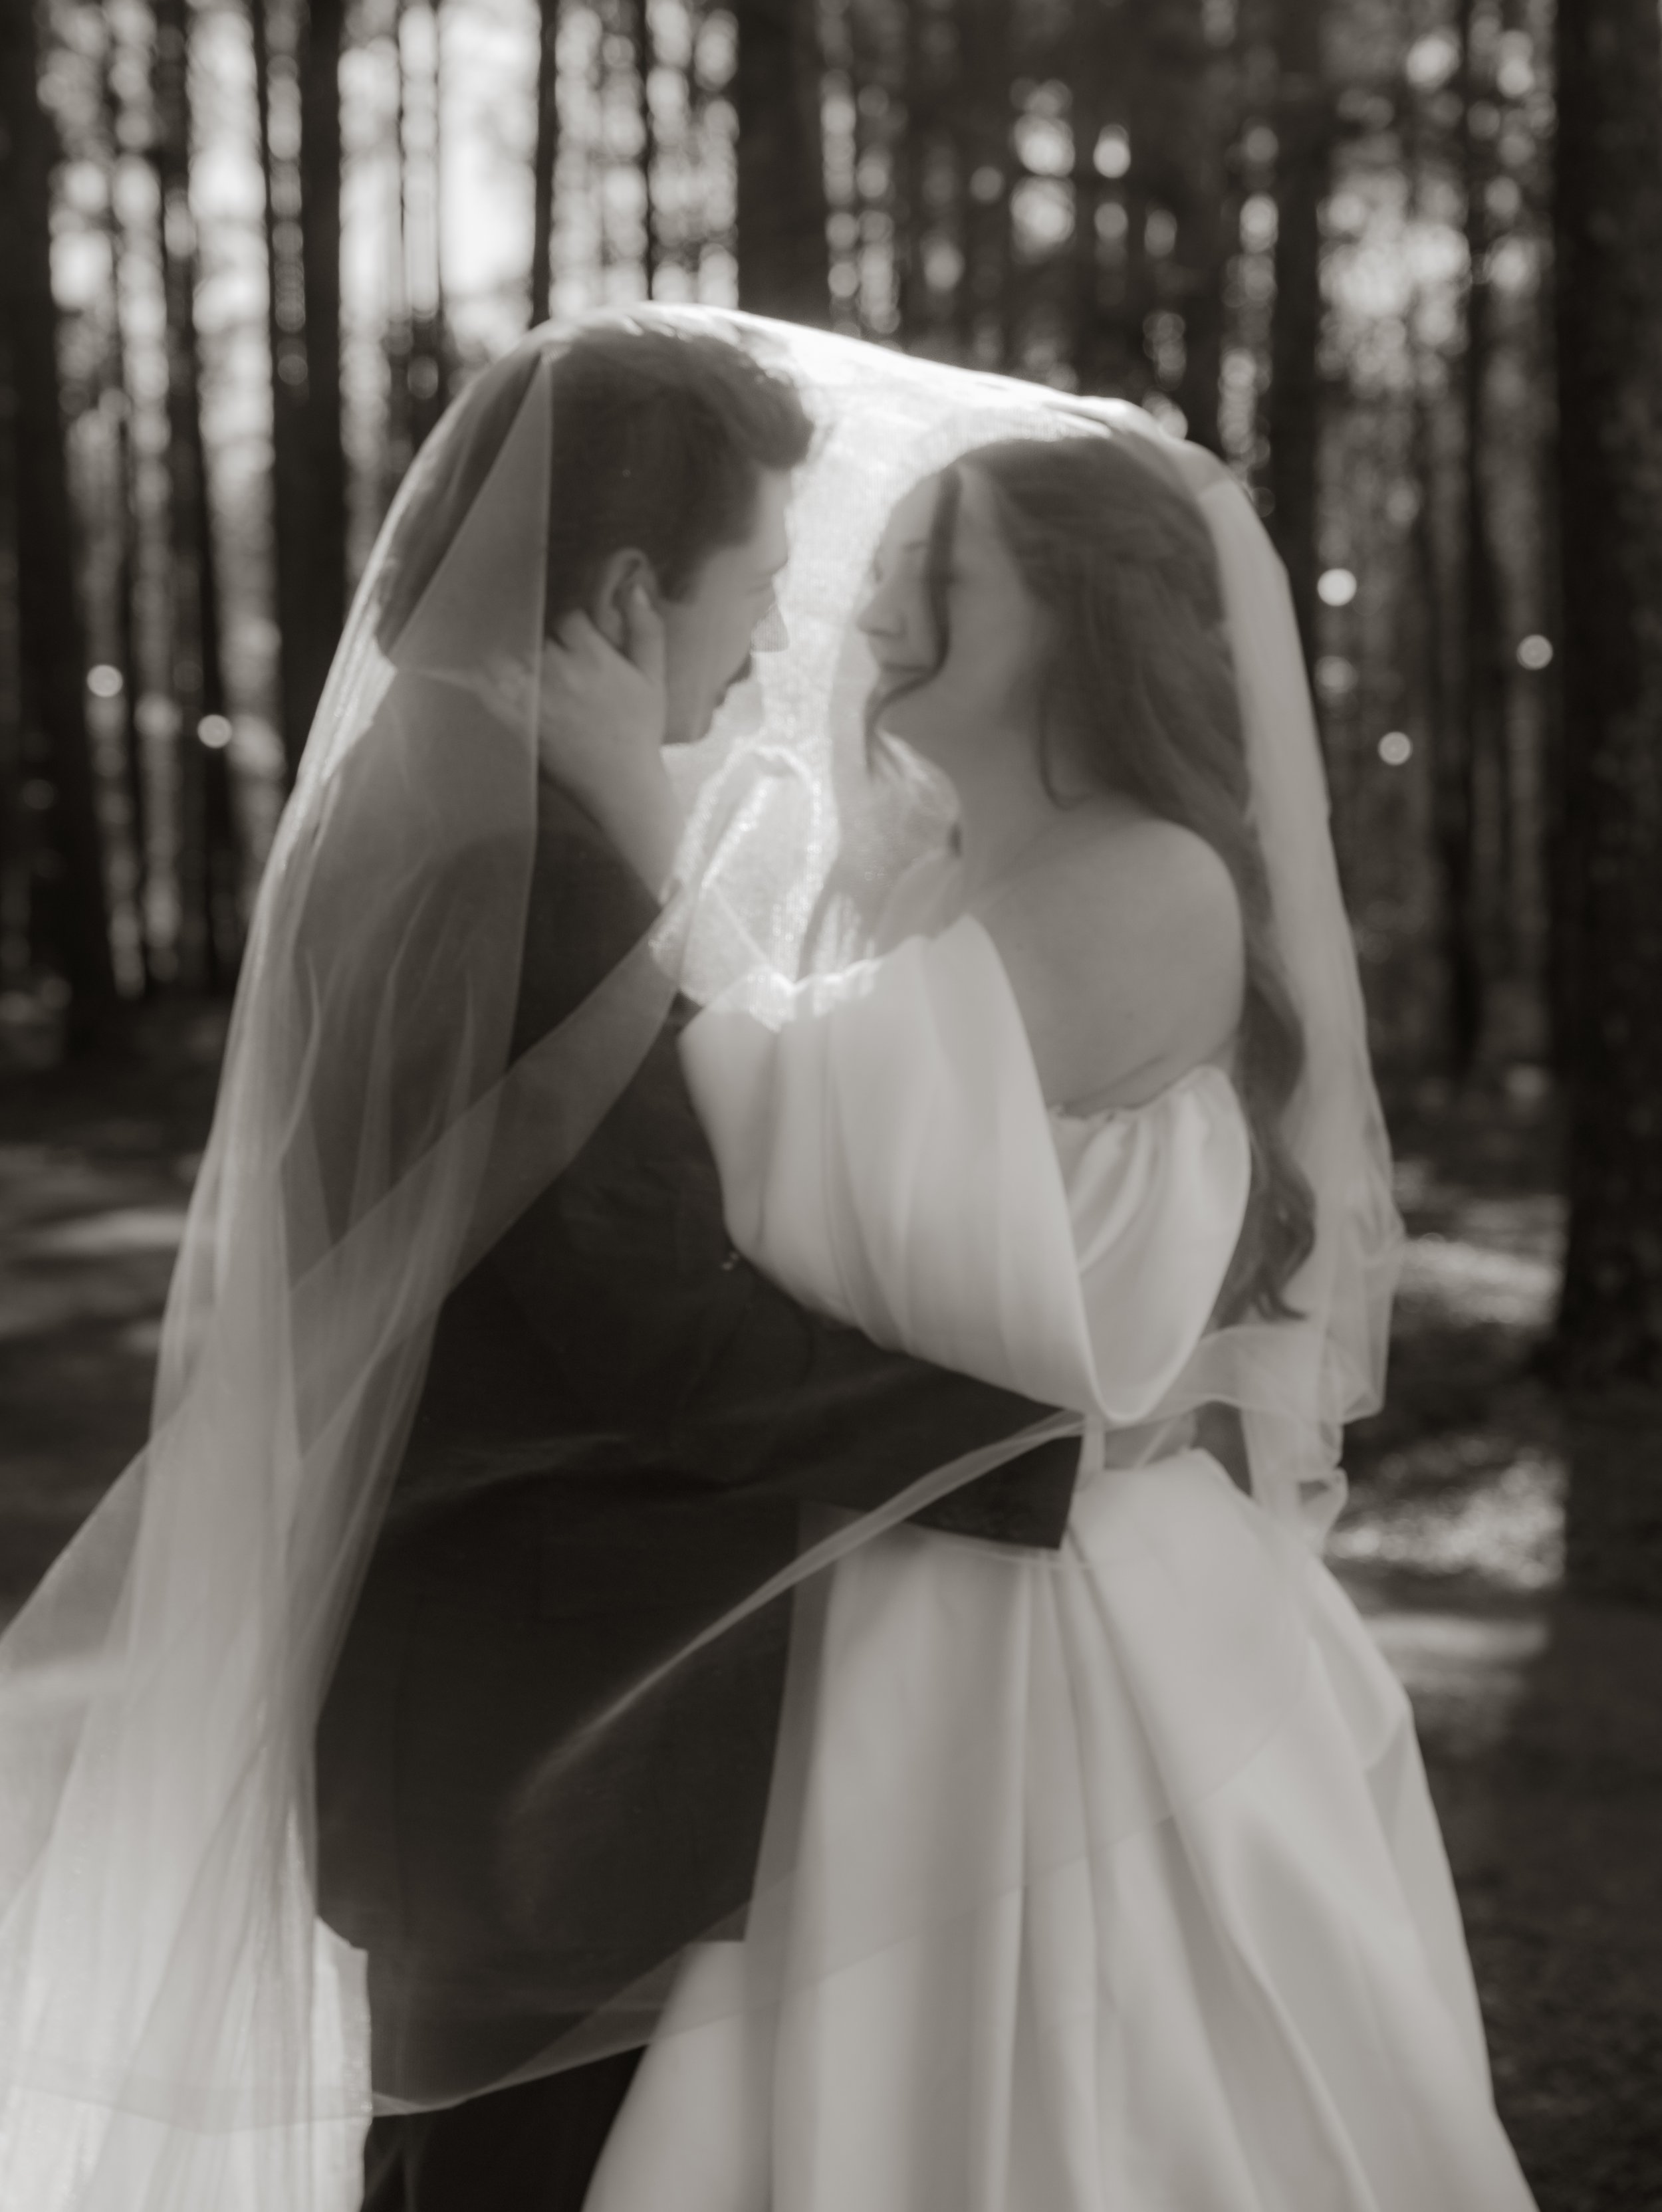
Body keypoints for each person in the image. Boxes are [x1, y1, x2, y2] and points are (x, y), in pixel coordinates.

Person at [0, 313, 1081, 2212]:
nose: (763, 646)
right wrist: (1053, 1435)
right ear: (624, 587)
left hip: (466, 1693)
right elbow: (657, 1334)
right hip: (547, 1726)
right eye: (750, 587)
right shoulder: (527, 861)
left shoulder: (430, 789)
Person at [540, 425, 1541, 2209]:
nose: (882, 599)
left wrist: (626, 821)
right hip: (921, 1567)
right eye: (889, 566)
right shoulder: (929, 884)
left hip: (1055, 1628)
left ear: (1081, 614)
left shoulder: (1144, 877)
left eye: (946, 568)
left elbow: (777, 1163)